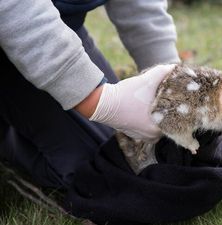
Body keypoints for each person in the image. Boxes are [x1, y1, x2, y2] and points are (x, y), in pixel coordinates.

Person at [0, 0, 180, 188]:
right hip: (18, 20)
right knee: (93, 172)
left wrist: (171, 82)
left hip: (55, 26)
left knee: (115, 155)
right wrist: (97, 100)